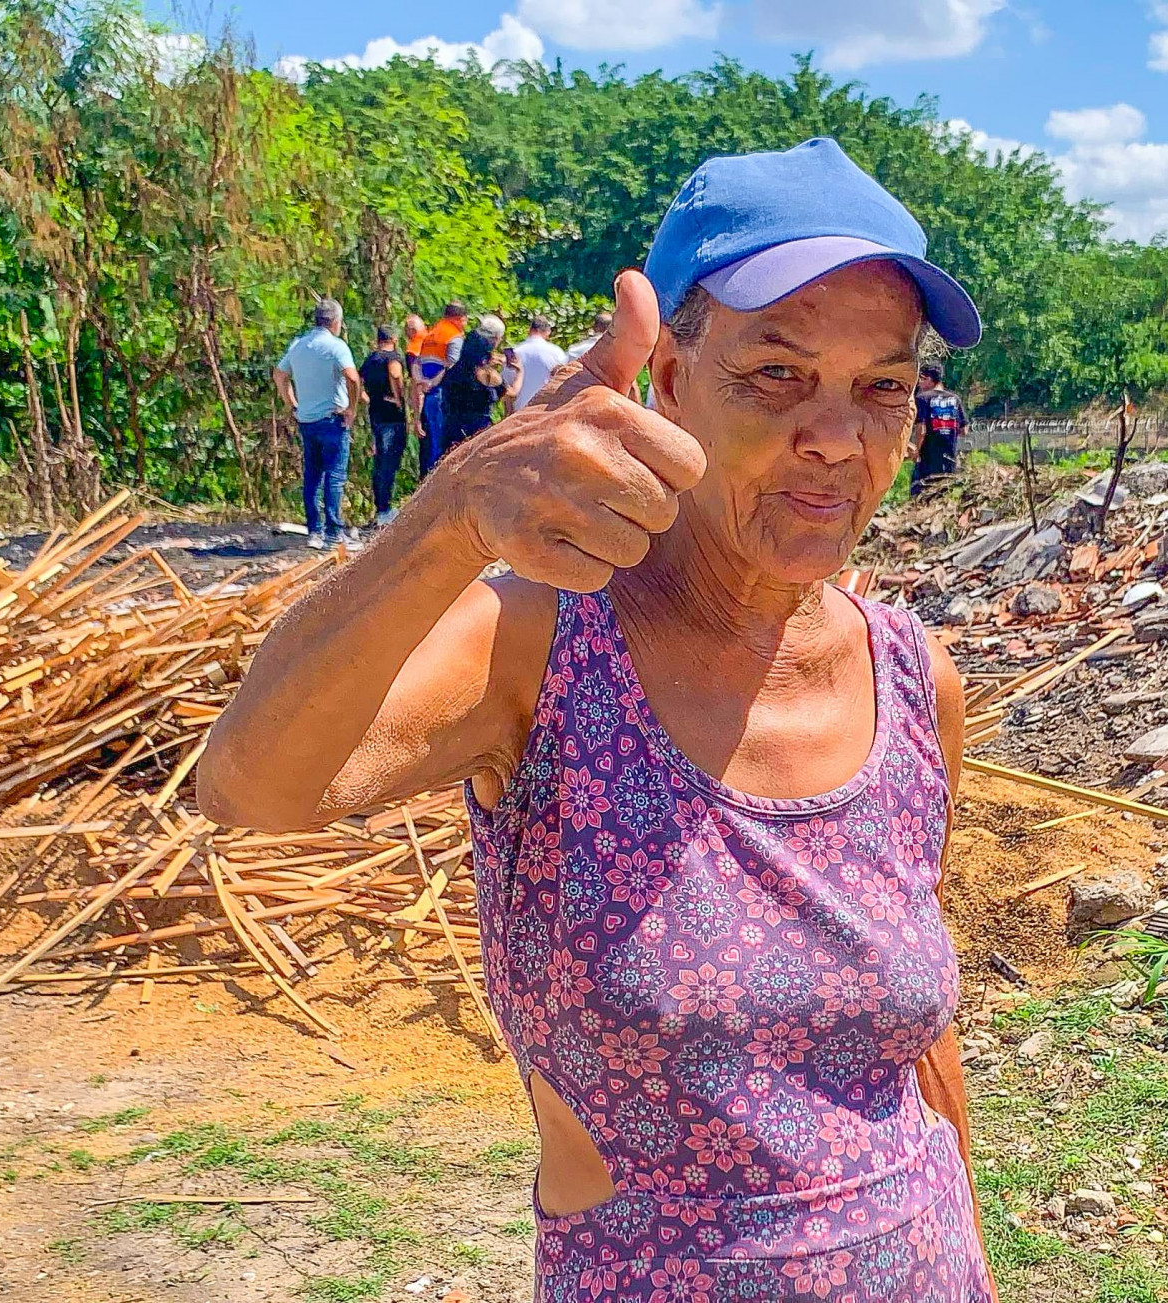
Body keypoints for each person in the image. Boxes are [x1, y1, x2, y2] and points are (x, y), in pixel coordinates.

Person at [200, 136, 993, 1303]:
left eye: (883, 383)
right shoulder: (543, 647)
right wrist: (457, 508)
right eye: (776, 371)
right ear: (665, 378)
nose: (838, 436)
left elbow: (917, 1031)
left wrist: (974, 1245)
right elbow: (251, 789)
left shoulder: (915, 678)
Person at [272, 298, 361, 549]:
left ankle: (315, 531)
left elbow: (279, 375)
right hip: (332, 418)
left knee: (312, 475)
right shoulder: (336, 347)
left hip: (307, 419)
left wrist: (292, 404)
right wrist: (352, 408)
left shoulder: (299, 345)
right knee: (334, 475)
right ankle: (334, 534)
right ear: (335, 322)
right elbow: (353, 378)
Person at [437, 314, 512, 459]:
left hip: (452, 431)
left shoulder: (453, 371)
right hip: (478, 432)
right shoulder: (486, 374)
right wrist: (519, 371)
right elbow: (510, 393)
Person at [359, 324, 408, 526]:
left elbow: (358, 381)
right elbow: (395, 375)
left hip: (376, 414)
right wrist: (399, 398)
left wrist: (366, 398)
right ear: (394, 339)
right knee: (389, 461)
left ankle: (381, 506)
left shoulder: (370, 359)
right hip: (392, 416)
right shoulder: (393, 358)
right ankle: (385, 509)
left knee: (380, 462)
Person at [414, 301, 468, 478]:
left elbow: (417, 362)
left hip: (428, 393)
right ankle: (437, 480)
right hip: (441, 393)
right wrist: (434, 382)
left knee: (431, 441)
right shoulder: (454, 336)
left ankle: (427, 477)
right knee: (440, 441)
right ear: (460, 319)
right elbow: (453, 366)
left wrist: (421, 381)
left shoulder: (430, 335)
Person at [911, 361, 966, 492]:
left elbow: (922, 429)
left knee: (920, 494)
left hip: (928, 459)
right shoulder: (955, 399)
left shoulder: (922, 398)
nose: (919, 383)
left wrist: (916, 450)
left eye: (922, 379)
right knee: (944, 495)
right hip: (949, 458)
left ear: (930, 379)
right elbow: (964, 430)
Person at [507, 315, 568, 411]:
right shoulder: (557, 353)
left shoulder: (515, 352)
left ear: (530, 330)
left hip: (519, 414)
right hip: (545, 412)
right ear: (548, 332)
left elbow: (507, 389)